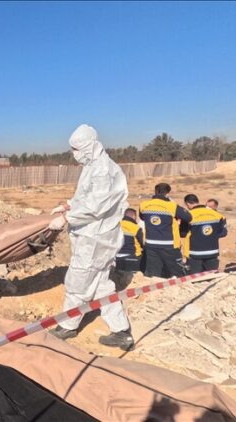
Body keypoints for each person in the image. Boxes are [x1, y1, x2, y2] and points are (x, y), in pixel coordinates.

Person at [48, 124, 134, 351]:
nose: (74, 153)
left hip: (95, 238)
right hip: (97, 237)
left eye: (77, 148)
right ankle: (121, 332)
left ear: (90, 146)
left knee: (77, 282)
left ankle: (67, 326)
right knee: (102, 286)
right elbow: (86, 197)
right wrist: (69, 204)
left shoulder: (102, 170)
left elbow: (96, 206)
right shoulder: (93, 166)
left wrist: (67, 217)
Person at [139, 183, 192, 278]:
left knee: (153, 274)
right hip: (169, 245)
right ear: (167, 193)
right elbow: (188, 217)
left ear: (155, 191)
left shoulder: (143, 205)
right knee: (177, 272)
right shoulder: (172, 206)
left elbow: (143, 218)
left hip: (151, 244)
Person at [181, 194, 227, 274]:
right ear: (197, 201)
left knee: (195, 279)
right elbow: (223, 233)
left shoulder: (188, 215)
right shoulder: (217, 215)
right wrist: (210, 236)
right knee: (212, 277)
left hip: (195, 254)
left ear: (187, 203)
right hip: (212, 252)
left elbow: (182, 234)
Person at [116, 208, 144, 273]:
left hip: (116, 257)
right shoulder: (135, 227)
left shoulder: (117, 225)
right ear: (134, 216)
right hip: (132, 258)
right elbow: (143, 243)